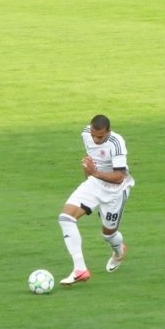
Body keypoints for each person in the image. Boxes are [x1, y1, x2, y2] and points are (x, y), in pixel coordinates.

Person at [57, 115, 135, 286]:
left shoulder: (116, 143)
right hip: (94, 184)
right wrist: (89, 172)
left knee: (109, 234)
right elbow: (91, 157)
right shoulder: (86, 134)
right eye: (93, 135)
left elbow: (119, 177)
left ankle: (119, 251)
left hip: (116, 191)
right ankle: (80, 269)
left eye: (99, 136)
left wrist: (94, 172)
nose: (95, 139)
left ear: (108, 132)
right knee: (65, 218)